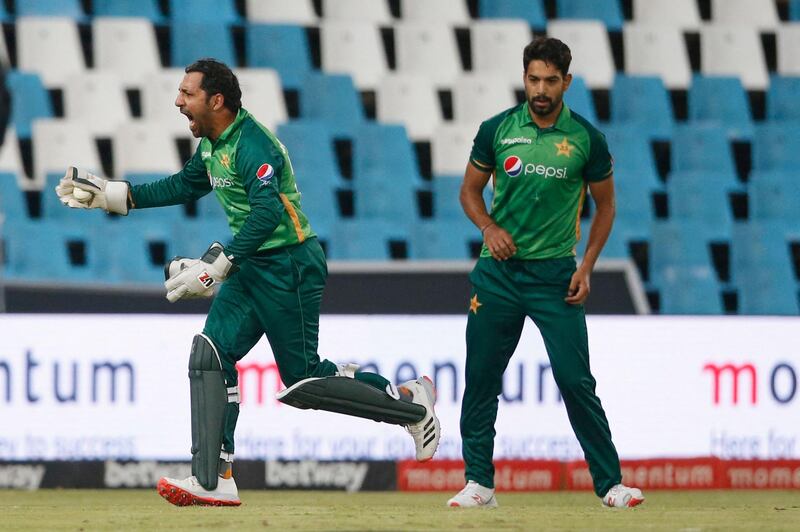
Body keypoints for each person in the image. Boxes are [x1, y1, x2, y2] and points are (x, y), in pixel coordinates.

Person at [54, 58, 440, 507]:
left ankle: (412, 409)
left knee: (302, 383)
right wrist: (116, 196)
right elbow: (185, 184)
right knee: (209, 355)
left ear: (216, 100)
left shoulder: (254, 145)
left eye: (187, 93)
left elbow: (268, 212)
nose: (178, 101)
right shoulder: (214, 144)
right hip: (253, 264)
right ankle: (214, 478)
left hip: (289, 265)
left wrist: (221, 262)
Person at [446, 38, 644, 509]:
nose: (540, 89)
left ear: (566, 83)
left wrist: (588, 265)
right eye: (533, 79)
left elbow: (607, 206)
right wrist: (488, 226)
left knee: (576, 381)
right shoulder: (497, 129)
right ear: (524, 79)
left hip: (556, 277)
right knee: (481, 378)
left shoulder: (586, 139)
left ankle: (610, 484)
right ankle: (479, 483)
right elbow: (469, 193)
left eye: (550, 81)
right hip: (498, 275)